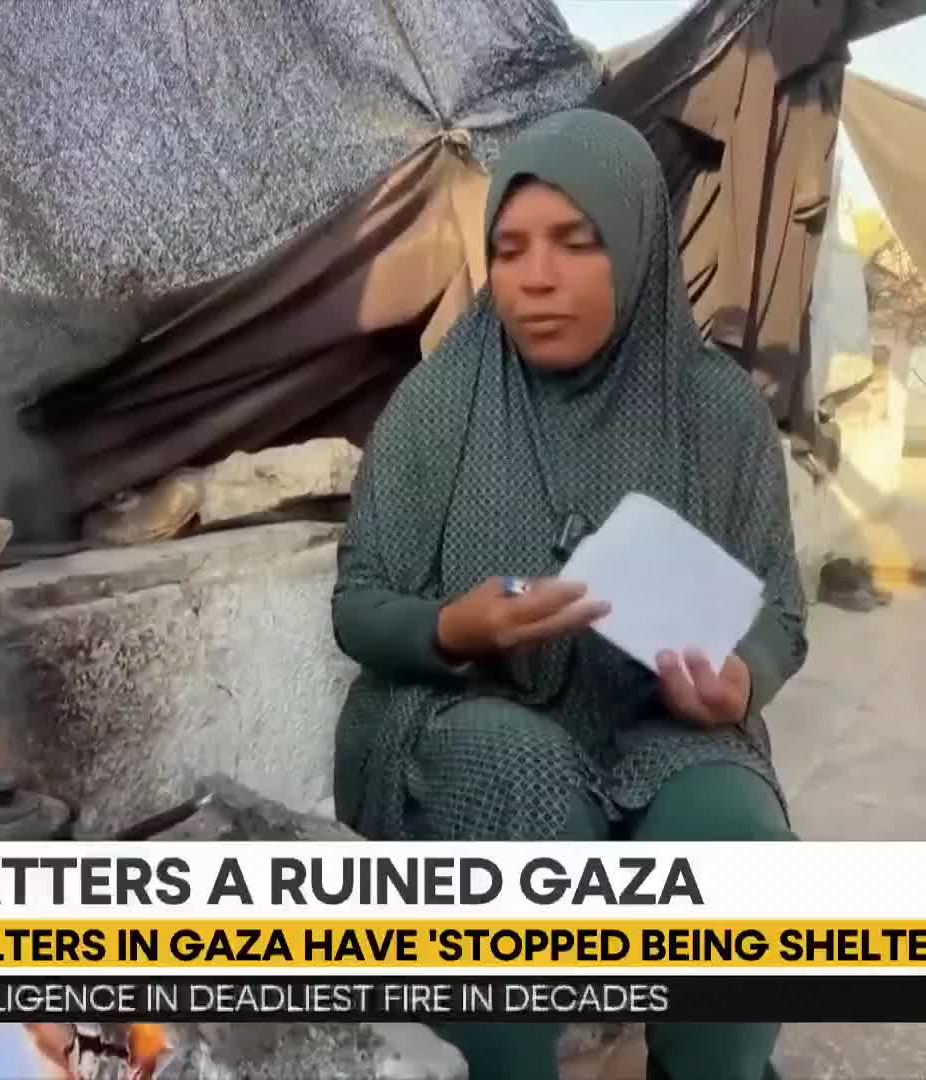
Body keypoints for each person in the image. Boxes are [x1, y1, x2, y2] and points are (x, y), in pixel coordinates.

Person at [330, 108, 807, 1080]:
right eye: (509, 250)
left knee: (733, 842)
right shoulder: (440, 402)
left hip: (654, 722)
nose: (534, 279)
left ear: (637, 245)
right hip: (463, 710)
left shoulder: (718, 412)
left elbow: (779, 615)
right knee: (521, 787)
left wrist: (739, 683)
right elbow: (359, 604)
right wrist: (454, 626)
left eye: (575, 243)